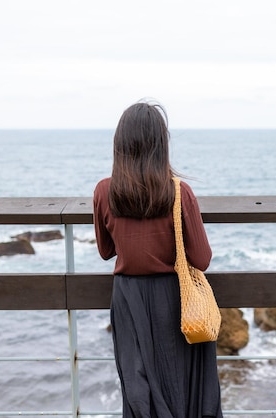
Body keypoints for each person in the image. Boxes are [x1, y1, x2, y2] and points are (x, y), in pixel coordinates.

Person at [93, 100, 223, 418]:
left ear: (120, 145)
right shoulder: (180, 192)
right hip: (177, 301)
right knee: (185, 391)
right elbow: (202, 259)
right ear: (161, 145)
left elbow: (106, 250)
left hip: (128, 300)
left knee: (139, 389)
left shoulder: (104, 191)